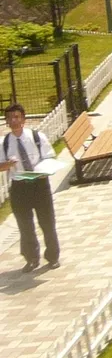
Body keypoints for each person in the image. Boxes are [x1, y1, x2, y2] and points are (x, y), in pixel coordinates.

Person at [2, 101, 60, 271]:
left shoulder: (36, 137)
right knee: (25, 226)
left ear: (24, 119)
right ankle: (31, 258)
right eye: (10, 118)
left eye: (17, 117)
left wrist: (43, 169)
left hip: (39, 184)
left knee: (47, 222)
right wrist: (8, 164)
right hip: (19, 187)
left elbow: (49, 157)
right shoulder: (4, 143)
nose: (14, 121)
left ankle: (52, 257)